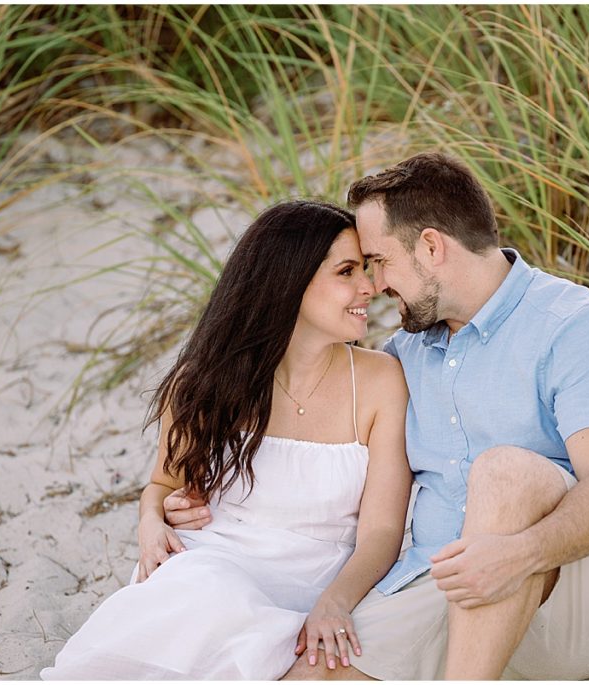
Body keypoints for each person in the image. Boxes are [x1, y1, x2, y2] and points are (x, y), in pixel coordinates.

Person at [166, 153, 589, 680]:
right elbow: (306, 427)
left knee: (506, 471)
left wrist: (520, 554)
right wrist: (166, 497)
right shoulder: (402, 357)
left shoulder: (573, 327)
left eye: (379, 261)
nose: (375, 284)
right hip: (441, 587)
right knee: (316, 668)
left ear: (431, 246)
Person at [41, 200, 413, 680]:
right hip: (208, 567)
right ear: (288, 282)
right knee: (205, 586)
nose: (369, 287)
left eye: (365, 269)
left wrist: (335, 603)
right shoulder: (205, 381)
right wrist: (151, 523)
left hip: (317, 586)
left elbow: (382, 532)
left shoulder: (381, 382)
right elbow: (161, 485)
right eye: (347, 271)